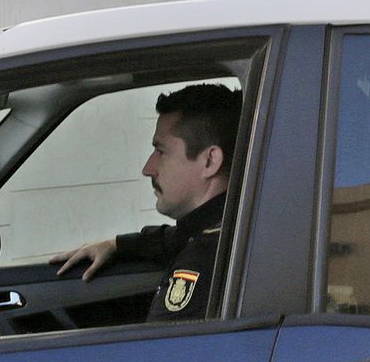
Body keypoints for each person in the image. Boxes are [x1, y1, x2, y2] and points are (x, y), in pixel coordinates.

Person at [51, 84, 242, 321]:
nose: (147, 169)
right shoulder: (234, 225)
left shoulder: (205, 258)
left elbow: (159, 355)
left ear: (210, 161)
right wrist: (116, 245)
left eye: (161, 151)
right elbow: (172, 238)